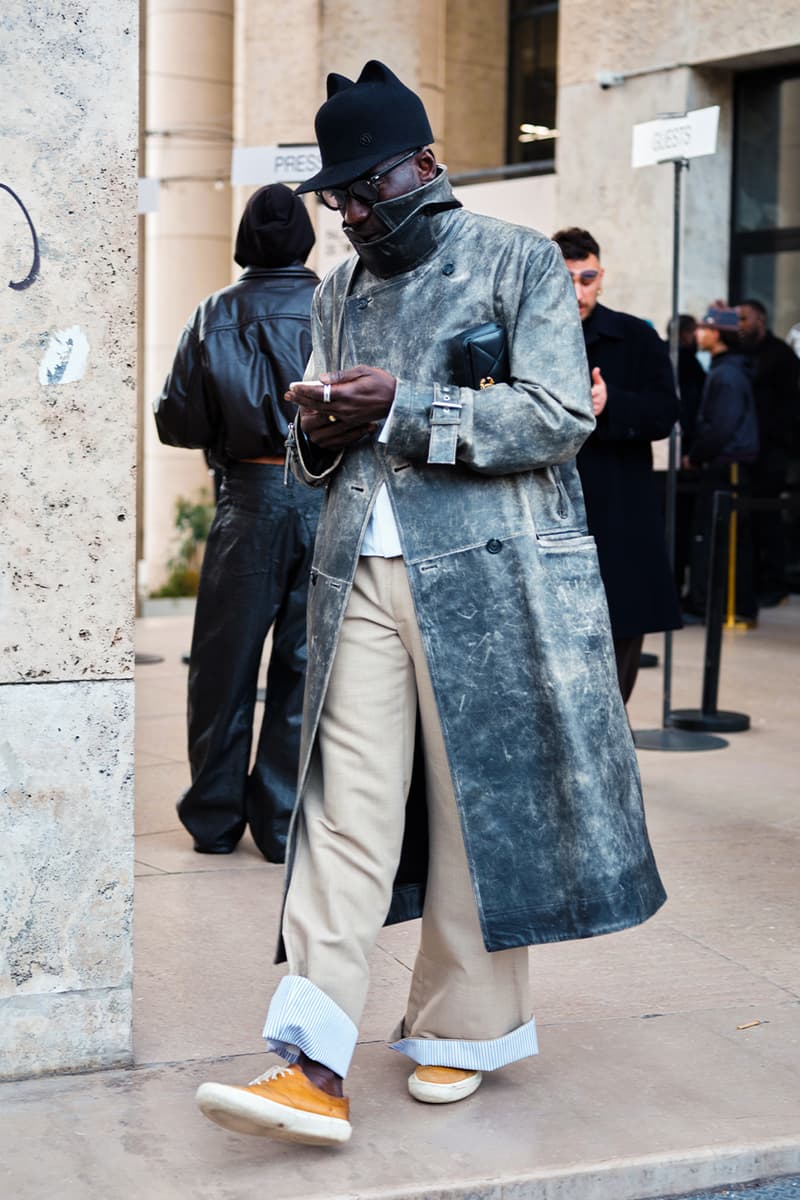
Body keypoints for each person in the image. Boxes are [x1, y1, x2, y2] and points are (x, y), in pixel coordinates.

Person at [195, 60, 665, 1148]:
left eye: (368, 189)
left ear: (425, 166)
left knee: (473, 810)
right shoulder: (337, 289)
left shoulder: (516, 260)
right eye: (338, 198)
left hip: (492, 582)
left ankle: (462, 1031)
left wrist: (403, 407)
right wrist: (318, 429)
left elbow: (558, 417)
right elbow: (317, 451)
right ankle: (311, 1059)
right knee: (338, 809)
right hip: (356, 572)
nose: (354, 214)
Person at [154, 184, 321, 862]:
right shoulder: (336, 305)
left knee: (223, 665)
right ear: (306, 238)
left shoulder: (213, 313)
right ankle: (279, 822)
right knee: (304, 666)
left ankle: (214, 818)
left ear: (245, 241)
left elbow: (177, 421)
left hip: (248, 497)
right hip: (325, 496)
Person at [551, 227, 681, 703]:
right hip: (548, 513)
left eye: (587, 279)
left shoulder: (636, 336)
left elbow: (665, 413)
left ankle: (612, 747)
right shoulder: (525, 333)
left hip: (619, 515)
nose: (578, 291)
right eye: (566, 279)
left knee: (618, 652)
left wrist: (612, 404)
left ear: (601, 276)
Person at [686, 306, 759, 623]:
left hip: (726, 465)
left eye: (704, 328)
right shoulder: (726, 369)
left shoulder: (727, 374)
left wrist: (696, 455)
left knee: (718, 536)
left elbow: (721, 427)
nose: (698, 333)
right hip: (727, 463)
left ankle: (715, 606)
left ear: (717, 334)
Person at [737, 298, 800, 606]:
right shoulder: (743, 353)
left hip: (771, 449)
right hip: (751, 449)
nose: (740, 326)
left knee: (768, 516)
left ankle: (775, 582)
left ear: (760, 320)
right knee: (750, 519)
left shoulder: (780, 355)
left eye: (744, 319)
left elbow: (787, 407)